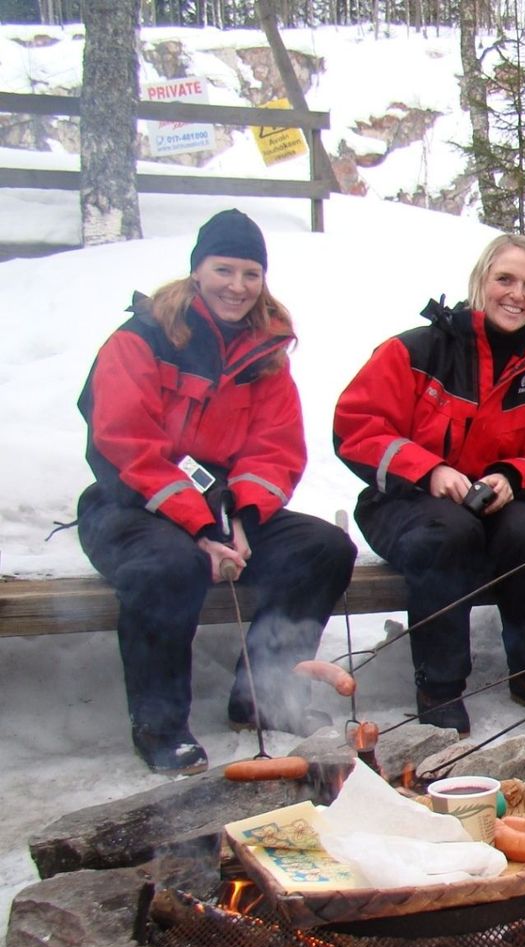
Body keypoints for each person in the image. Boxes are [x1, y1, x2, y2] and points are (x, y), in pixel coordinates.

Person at [76, 209, 357, 774]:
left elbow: (275, 449)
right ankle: (159, 725)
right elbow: (127, 446)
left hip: (220, 505)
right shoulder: (140, 340)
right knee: (169, 567)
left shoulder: (265, 351)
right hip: (130, 502)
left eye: (250, 274)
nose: (237, 286)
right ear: (197, 271)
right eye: (224, 269)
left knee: (323, 548)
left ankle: (262, 697)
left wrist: (242, 518)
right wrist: (202, 527)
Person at [334, 234, 525, 736]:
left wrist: (513, 476)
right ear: (480, 283)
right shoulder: (418, 348)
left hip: (485, 503)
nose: (517, 294)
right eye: (505, 280)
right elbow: (355, 427)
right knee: (449, 534)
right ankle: (440, 684)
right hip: (400, 501)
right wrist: (428, 470)